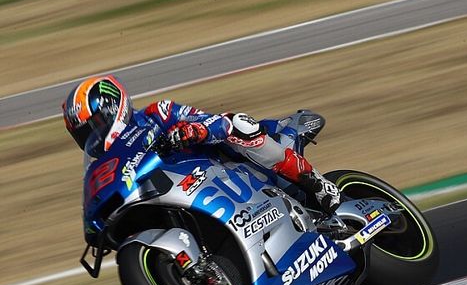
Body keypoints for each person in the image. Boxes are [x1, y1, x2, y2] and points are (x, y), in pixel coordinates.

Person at [61, 74, 340, 212]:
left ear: (114, 108)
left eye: (93, 126)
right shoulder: (113, 162)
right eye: (83, 134)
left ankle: (313, 180)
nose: (91, 137)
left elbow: (212, 121)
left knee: (238, 123)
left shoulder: (156, 114)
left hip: (223, 165)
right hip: (183, 192)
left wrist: (192, 131)